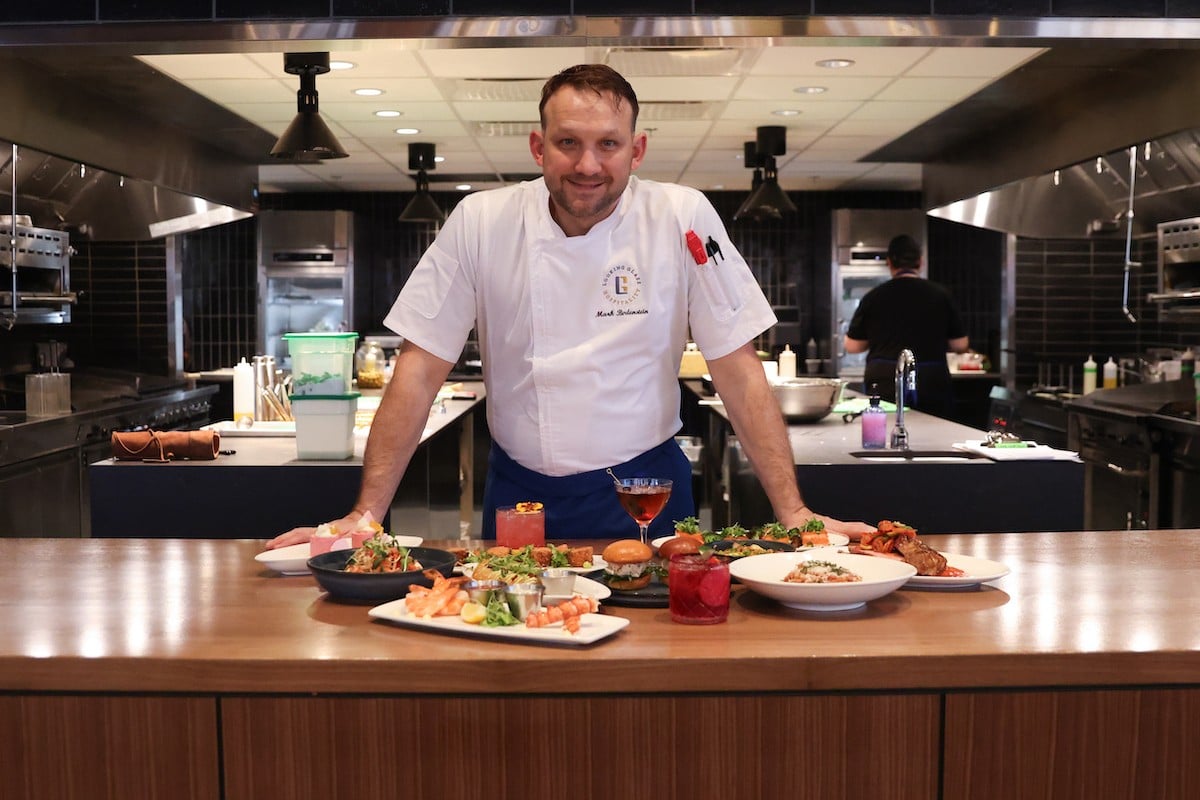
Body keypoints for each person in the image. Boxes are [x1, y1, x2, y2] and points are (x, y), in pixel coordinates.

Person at [268, 64, 872, 549]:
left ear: (636, 151)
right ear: (538, 146)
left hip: (648, 490)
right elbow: (419, 368)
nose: (588, 165)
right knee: (516, 659)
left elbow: (736, 367)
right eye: (568, 143)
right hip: (520, 492)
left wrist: (793, 512)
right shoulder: (481, 221)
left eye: (607, 144)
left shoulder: (683, 216)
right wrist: (367, 514)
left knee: (654, 671)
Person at [843, 234, 969, 418]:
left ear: (889, 263)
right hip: (930, 381)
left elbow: (852, 346)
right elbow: (960, 345)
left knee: (886, 432)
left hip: (885, 380)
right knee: (936, 436)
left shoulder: (874, 296)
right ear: (920, 262)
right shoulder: (941, 295)